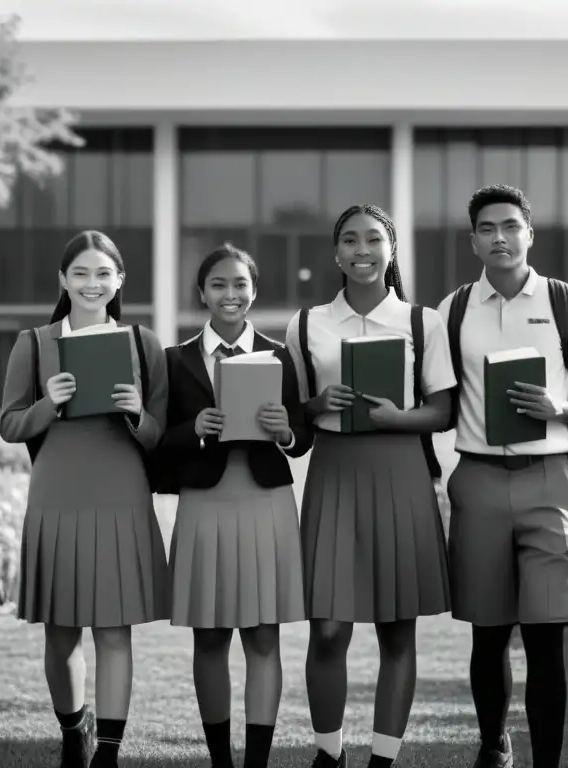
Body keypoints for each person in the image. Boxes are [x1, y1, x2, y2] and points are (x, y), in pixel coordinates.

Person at [437, 184, 568, 768]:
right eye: (487, 229)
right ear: (473, 241)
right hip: (479, 478)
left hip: (550, 479)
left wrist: (558, 408)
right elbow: (434, 397)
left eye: (511, 226)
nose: (500, 238)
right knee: (487, 632)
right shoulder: (454, 309)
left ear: (529, 233)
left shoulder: (567, 301)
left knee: (545, 635)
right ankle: (494, 746)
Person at [284, 204, 455, 768]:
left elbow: (443, 411)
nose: (362, 249)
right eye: (350, 241)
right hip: (334, 471)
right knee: (328, 628)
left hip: (400, 470)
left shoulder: (421, 323)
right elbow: (297, 420)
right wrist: (314, 404)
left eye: (374, 239)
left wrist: (396, 417)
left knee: (395, 626)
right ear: (336, 254)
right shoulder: (306, 324)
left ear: (392, 249)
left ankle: (383, 759)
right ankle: (327, 756)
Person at [0, 230, 170, 768]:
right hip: (58, 492)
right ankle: (75, 732)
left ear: (119, 280)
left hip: (121, 489)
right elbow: (9, 424)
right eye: (81, 274)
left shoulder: (143, 343)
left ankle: (110, 753)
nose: (93, 284)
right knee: (62, 629)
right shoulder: (34, 342)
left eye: (103, 273)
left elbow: (160, 432)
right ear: (63, 281)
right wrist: (49, 403)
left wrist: (136, 413)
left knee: (115, 628)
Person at [161, 243, 312, 768]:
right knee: (209, 636)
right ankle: (221, 760)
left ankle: (257, 763)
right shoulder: (174, 361)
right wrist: (191, 429)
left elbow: (304, 434)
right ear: (201, 293)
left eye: (241, 285)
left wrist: (286, 431)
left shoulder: (280, 355)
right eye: (219, 285)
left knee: (263, 636)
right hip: (205, 503)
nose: (231, 294)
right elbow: (159, 440)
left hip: (265, 499)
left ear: (254, 291)